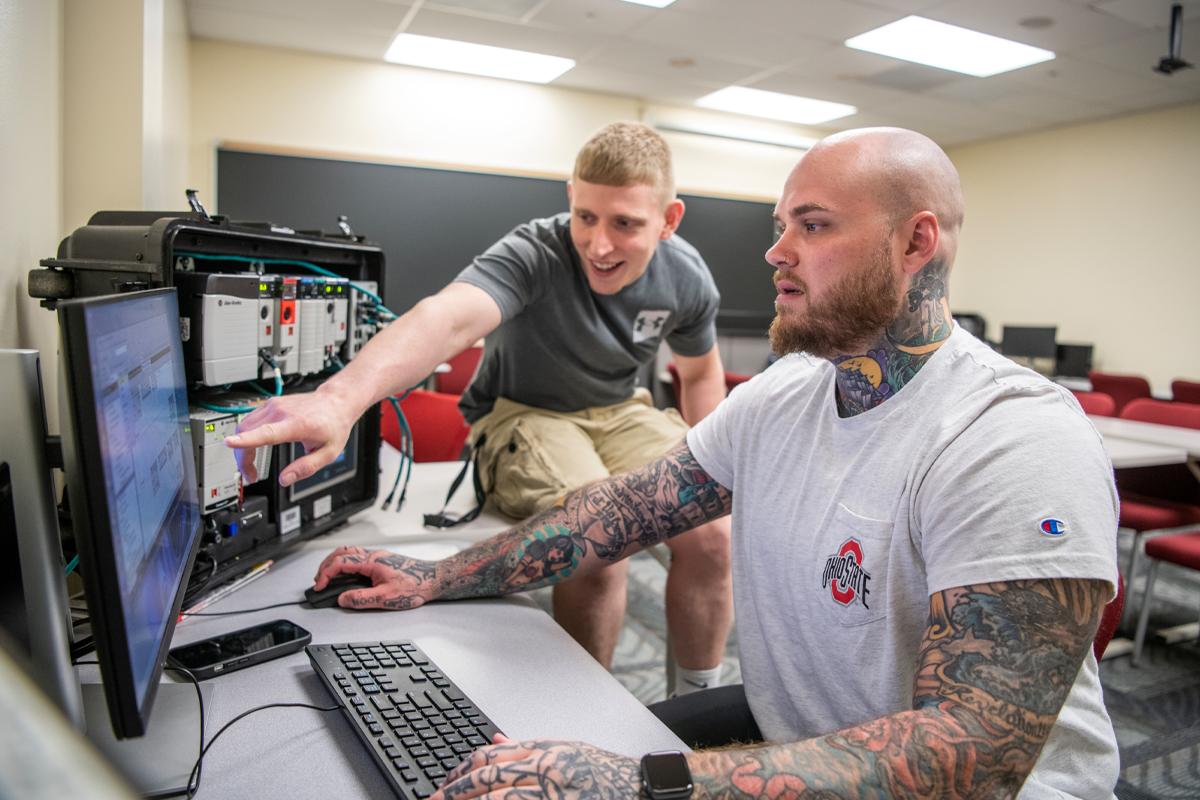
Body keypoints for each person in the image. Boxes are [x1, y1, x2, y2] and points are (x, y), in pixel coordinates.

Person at [303, 126, 1121, 799]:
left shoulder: (1011, 439)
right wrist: (433, 577)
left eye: (813, 225)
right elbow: (616, 513)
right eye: (779, 229)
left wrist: (632, 785)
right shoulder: (785, 396)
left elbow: (971, 758)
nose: (777, 253)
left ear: (915, 242)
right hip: (801, 730)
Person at [226, 121, 734, 692]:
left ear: (669, 221)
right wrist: (340, 399)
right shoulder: (535, 250)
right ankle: (590, 714)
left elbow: (700, 372)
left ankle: (695, 703)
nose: (598, 244)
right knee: (598, 538)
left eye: (625, 224)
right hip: (527, 413)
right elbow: (448, 318)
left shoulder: (687, 277)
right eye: (586, 217)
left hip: (622, 409)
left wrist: (713, 461)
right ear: (570, 197)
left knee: (713, 531)